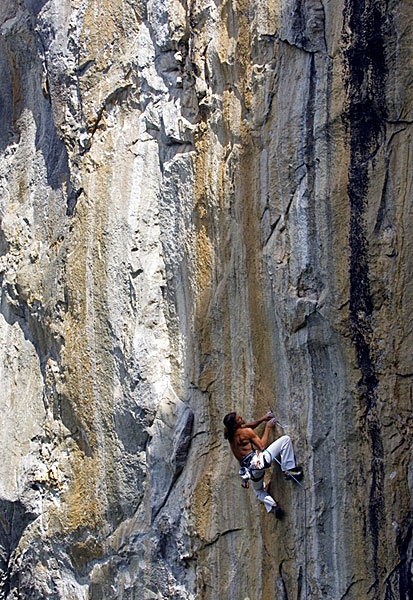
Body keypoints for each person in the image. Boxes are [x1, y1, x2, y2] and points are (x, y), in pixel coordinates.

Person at [223, 411, 303, 518]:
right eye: (238, 419)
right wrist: (268, 427)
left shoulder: (230, 435)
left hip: (250, 471)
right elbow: (262, 446)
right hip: (260, 461)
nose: (241, 418)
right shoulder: (246, 432)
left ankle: (274, 506)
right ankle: (289, 470)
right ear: (235, 424)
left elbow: (248, 426)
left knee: (259, 491)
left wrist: (262, 419)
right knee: (285, 440)